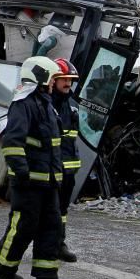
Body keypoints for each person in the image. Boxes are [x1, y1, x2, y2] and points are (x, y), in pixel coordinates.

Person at [0, 56, 73, 279]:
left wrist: (58, 175)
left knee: (51, 227)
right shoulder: (22, 104)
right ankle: (1, 268)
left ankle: (47, 278)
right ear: (41, 77)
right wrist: (21, 173)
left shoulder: (46, 103)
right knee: (23, 227)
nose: (54, 82)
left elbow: (52, 145)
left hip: (48, 182)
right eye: (53, 77)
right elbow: (13, 142)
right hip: (29, 182)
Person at [52, 58, 80, 263]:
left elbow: (71, 140)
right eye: (64, 79)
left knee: (61, 211)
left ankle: (58, 244)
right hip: (51, 170)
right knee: (45, 210)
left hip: (67, 170)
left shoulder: (71, 106)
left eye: (70, 79)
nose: (68, 83)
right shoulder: (45, 104)